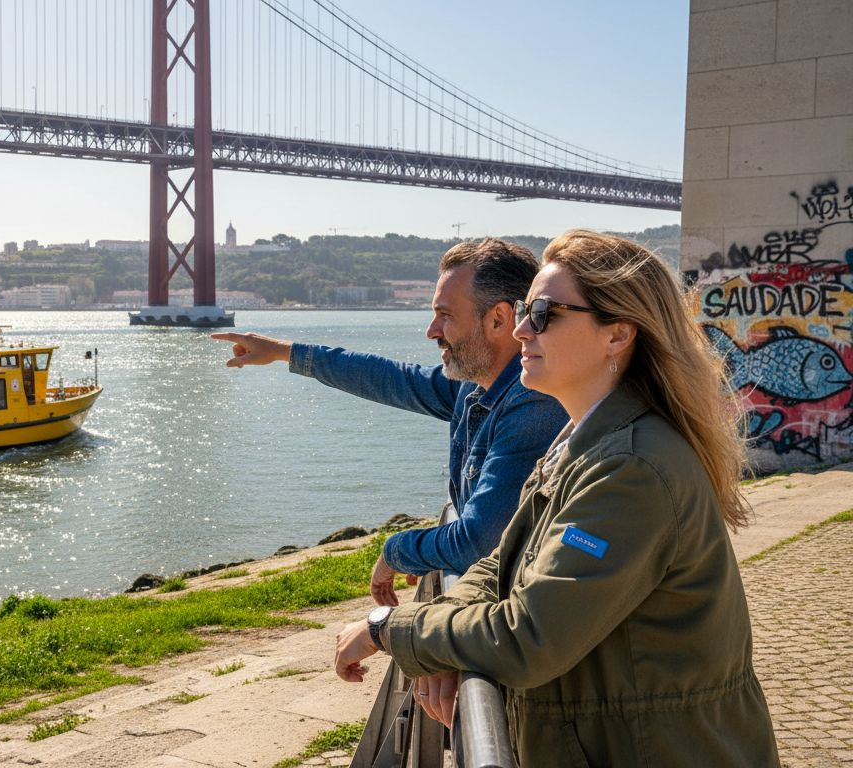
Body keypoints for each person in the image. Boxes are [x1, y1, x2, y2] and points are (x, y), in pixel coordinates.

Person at [334, 230, 780, 766]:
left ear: (617, 334)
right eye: (525, 310)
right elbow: (502, 561)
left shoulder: (630, 469)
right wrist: (445, 629)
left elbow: (530, 635)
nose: (521, 329)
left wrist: (390, 630)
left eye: (544, 313)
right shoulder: (581, 440)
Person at [214, 239, 566, 591]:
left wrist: (397, 550)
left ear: (499, 319)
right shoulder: (475, 387)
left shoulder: (532, 404)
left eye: (445, 315)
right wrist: (283, 352)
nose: (431, 331)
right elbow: (388, 377)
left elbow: (476, 543)